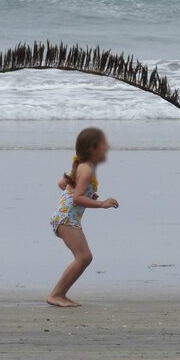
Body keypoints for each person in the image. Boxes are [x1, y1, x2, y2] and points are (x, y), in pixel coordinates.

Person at [47, 127, 119, 307]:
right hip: (66, 219)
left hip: (64, 217)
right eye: (104, 144)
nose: (108, 147)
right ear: (93, 149)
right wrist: (101, 203)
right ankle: (56, 295)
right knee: (84, 257)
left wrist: (84, 193)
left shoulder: (81, 166)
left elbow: (62, 184)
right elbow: (77, 198)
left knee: (84, 257)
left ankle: (59, 294)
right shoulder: (86, 170)